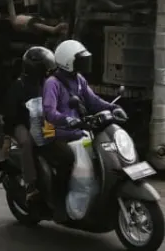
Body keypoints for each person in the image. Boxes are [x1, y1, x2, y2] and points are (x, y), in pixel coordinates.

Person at [41, 39, 126, 218]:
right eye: (80, 60)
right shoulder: (52, 83)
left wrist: (113, 108)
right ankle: (58, 204)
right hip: (59, 135)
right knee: (67, 161)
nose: (85, 63)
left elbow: (93, 101)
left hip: (80, 133)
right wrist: (68, 120)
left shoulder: (78, 79)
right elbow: (49, 112)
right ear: (68, 61)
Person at [2, 46, 56, 204]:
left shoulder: (47, 84)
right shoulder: (18, 87)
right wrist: (7, 138)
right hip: (21, 123)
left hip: (42, 121)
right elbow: (10, 115)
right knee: (26, 143)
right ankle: (30, 185)